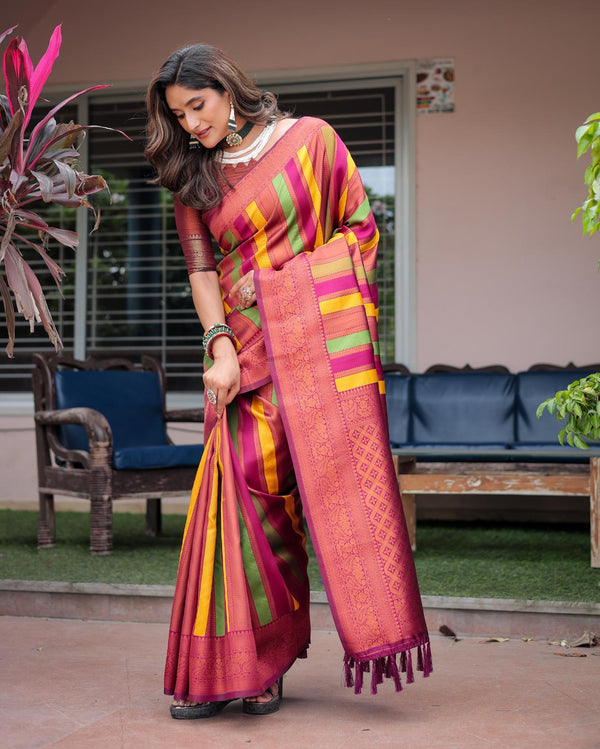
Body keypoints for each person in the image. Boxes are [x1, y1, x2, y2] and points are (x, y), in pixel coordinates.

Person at [145, 43, 431, 719]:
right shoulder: (195, 174)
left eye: (197, 105)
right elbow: (202, 272)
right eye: (178, 115)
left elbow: (360, 235)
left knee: (318, 500)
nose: (190, 124)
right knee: (243, 498)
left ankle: (278, 655)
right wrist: (218, 345)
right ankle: (241, 663)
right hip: (244, 359)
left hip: (314, 351)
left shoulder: (312, 143)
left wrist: (279, 286)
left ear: (225, 86)